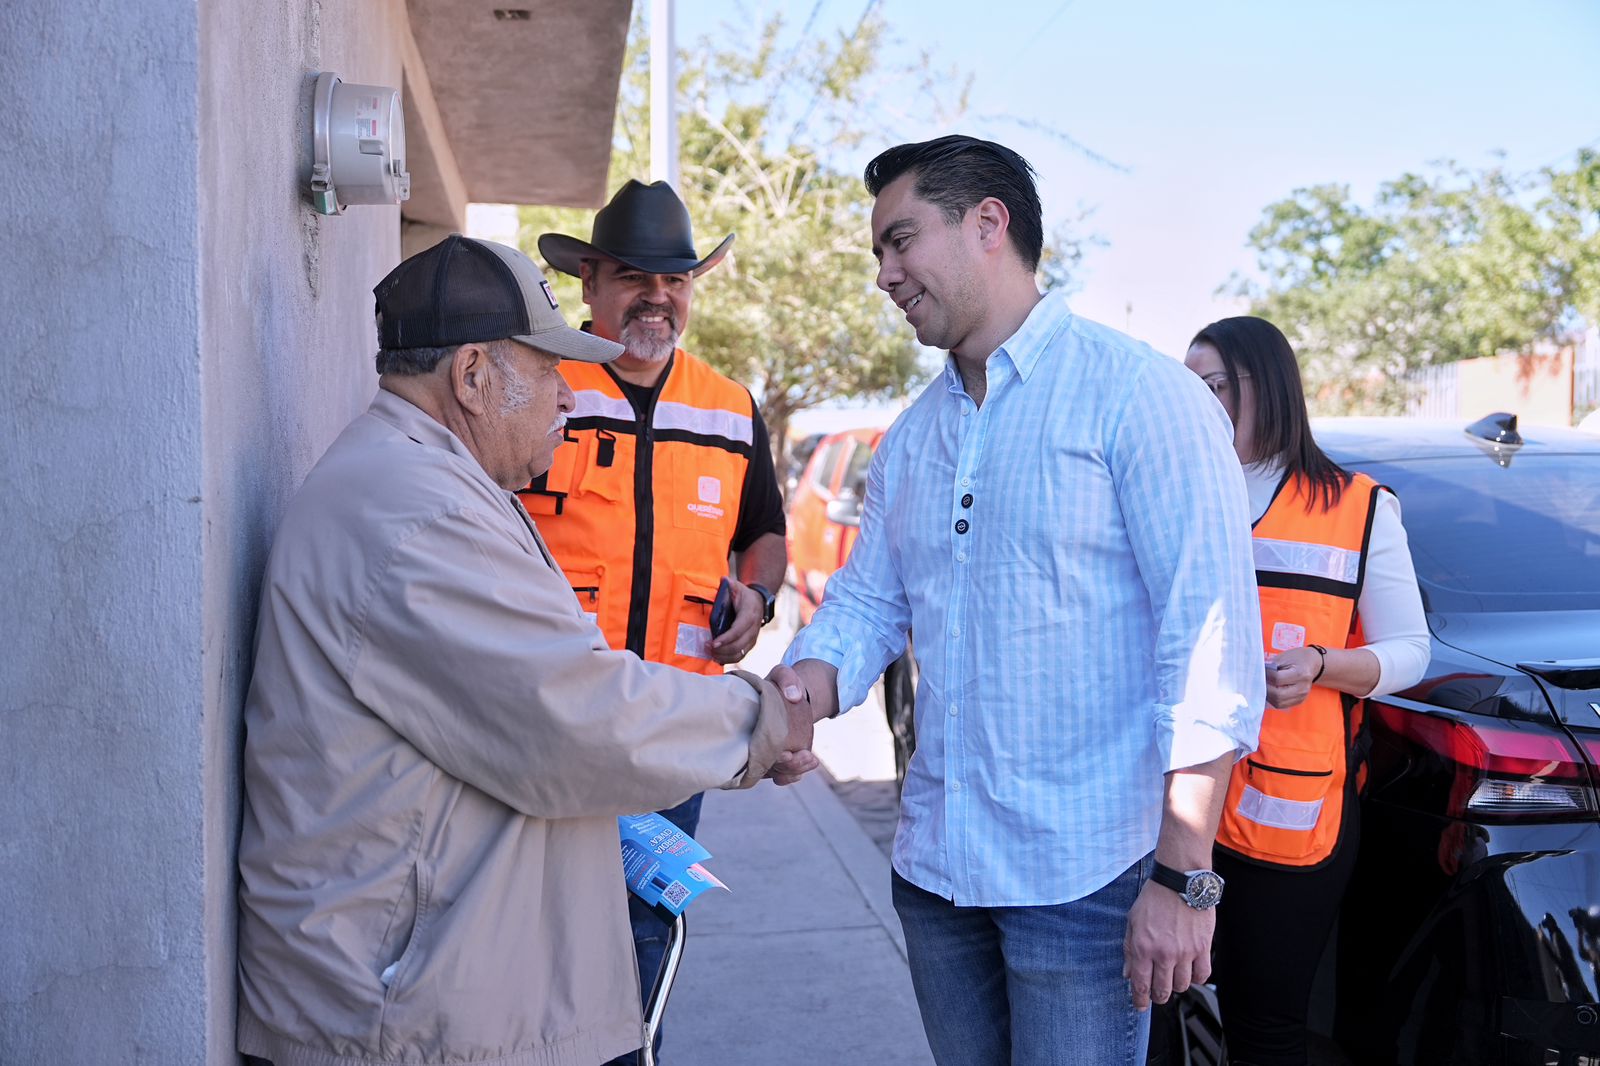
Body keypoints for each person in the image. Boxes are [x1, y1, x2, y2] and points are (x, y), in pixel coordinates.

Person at [235, 234, 816, 1066]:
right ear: (472, 377)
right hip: (402, 1017)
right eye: (547, 373)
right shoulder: (417, 513)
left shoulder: (431, 481)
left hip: (431, 994)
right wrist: (763, 718)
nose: (567, 399)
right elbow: (570, 715)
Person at [772, 135, 1267, 1065]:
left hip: (1084, 885)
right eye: (879, 251)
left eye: (901, 240)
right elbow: (870, 606)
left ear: (987, 223)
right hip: (937, 875)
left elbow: (1207, 650)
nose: (884, 274)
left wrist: (1183, 875)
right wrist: (791, 698)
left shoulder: (1141, 399)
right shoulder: (913, 439)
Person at [526, 179, 788, 1061]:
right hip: (545, 724)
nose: (659, 296)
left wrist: (756, 597)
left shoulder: (729, 405)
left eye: (676, 279)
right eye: (636, 275)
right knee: (532, 941)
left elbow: (765, 537)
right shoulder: (538, 389)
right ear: (592, 284)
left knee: (646, 936)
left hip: (671, 733)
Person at [1183, 316, 1428, 1066]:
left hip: (1290, 814)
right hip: (1167, 802)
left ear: (1263, 386)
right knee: (1151, 1003)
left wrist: (1322, 666)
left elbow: (1410, 653)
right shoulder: (1176, 488)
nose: (1192, 400)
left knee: (1266, 1028)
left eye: (1210, 385)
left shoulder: (1357, 507)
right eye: (1183, 385)